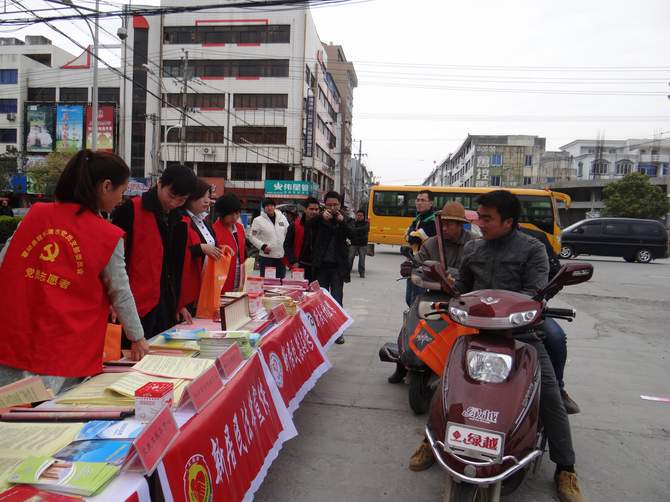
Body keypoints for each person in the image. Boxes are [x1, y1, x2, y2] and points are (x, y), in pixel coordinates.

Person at [409, 190, 584, 502]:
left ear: (508, 221)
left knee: (548, 395)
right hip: (476, 333)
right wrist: (447, 290)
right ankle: (431, 441)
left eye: (487, 218)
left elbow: (535, 292)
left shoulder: (533, 249)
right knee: (446, 386)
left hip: (522, 335)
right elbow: (462, 289)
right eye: (480, 217)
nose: (481, 223)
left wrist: (522, 310)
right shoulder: (474, 248)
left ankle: (566, 467)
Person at [0, 150, 149, 393]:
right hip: (64, 349)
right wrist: (138, 338)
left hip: (14, 336)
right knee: (51, 414)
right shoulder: (107, 236)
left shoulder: (36, 214)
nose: (121, 199)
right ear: (106, 187)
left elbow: (5, 262)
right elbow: (120, 292)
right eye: (121, 191)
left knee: (8, 410)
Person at [391, 202, 474, 385]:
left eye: (449, 224)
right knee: (411, 320)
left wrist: (449, 273)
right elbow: (419, 262)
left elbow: (474, 273)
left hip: (464, 297)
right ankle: (401, 364)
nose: (444, 228)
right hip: (434, 294)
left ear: (460, 225)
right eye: (442, 224)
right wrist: (410, 267)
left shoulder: (474, 244)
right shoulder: (432, 243)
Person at [112, 165, 197, 339]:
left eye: (181, 200)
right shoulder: (131, 210)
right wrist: (113, 300)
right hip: (135, 303)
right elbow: (114, 262)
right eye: (171, 195)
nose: (173, 203)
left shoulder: (181, 219)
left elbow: (177, 264)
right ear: (159, 183)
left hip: (167, 303)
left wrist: (179, 302)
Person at [519, 225, 580, 415]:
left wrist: (542, 298)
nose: (484, 224)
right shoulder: (480, 242)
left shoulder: (536, 241)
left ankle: (558, 389)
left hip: (528, 312)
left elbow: (556, 275)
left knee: (556, 337)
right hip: (488, 314)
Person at [309, 191, 352, 344]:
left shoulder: (345, 218)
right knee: (320, 300)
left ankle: (338, 332)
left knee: (337, 299)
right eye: (329, 205)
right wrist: (321, 218)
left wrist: (343, 222)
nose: (332, 208)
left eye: (335, 205)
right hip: (321, 266)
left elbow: (355, 236)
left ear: (340, 205)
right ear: (324, 204)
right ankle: (321, 332)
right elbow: (308, 226)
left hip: (338, 267)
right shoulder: (319, 217)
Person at [178, 179, 221, 315]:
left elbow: (213, 244)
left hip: (207, 284)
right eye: (203, 197)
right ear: (191, 197)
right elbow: (177, 253)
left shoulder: (205, 221)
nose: (207, 201)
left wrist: (222, 249)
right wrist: (201, 248)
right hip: (188, 286)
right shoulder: (180, 220)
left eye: (208, 197)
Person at [404, 190, 437, 306]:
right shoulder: (418, 218)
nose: (419, 203)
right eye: (417, 200)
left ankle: (415, 318)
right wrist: (411, 234)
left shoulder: (433, 221)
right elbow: (407, 234)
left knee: (416, 301)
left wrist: (411, 234)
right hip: (413, 262)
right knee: (409, 299)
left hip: (424, 264)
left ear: (430, 203)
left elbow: (414, 238)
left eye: (423, 200)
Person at [212, 193, 246, 294]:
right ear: (221, 214)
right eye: (230, 214)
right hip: (222, 278)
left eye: (237, 213)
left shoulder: (239, 228)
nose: (234, 217)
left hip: (239, 277)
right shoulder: (213, 230)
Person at [248, 198, 289, 279]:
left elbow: (287, 233)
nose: (269, 208)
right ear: (264, 208)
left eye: (271, 205)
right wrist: (262, 246)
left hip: (281, 256)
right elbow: (252, 236)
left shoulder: (282, 218)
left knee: (281, 281)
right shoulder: (258, 220)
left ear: (275, 206)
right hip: (267, 258)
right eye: (267, 206)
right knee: (266, 281)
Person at [284, 196, 320, 282]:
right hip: (300, 265)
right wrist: (293, 261)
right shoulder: (295, 226)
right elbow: (287, 245)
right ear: (305, 209)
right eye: (311, 209)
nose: (314, 212)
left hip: (318, 267)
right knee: (299, 289)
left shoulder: (322, 225)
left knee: (317, 290)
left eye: (316, 209)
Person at [348, 209, 370, 278]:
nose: (359, 217)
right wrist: (356, 231)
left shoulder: (367, 223)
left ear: (364, 216)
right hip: (354, 243)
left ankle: (361, 273)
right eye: (358, 215)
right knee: (350, 258)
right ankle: (347, 272)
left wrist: (355, 230)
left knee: (362, 259)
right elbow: (351, 230)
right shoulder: (353, 222)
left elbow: (364, 229)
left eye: (361, 215)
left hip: (363, 244)